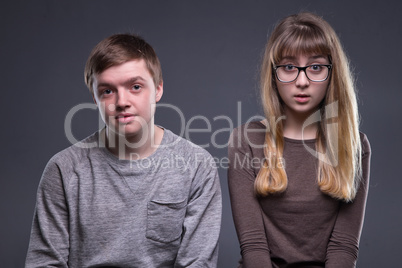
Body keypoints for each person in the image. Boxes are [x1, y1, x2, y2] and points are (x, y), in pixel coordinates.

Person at [26, 34, 222, 267]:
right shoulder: (63, 169)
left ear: (158, 89)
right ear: (94, 97)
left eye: (135, 87)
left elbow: (197, 264)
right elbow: (44, 263)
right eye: (107, 91)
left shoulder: (197, 165)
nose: (122, 101)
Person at [228, 12, 371, 268]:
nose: (302, 81)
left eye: (315, 67)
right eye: (289, 67)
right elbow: (253, 246)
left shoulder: (355, 145)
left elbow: (344, 247)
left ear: (332, 74)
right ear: (273, 74)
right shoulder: (245, 140)